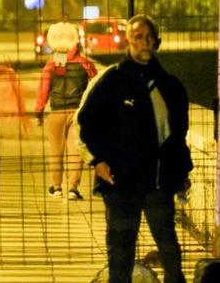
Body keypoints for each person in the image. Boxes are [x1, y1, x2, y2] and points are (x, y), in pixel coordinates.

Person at [77, 14, 193, 283]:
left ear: (158, 42)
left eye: (149, 36)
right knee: (121, 248)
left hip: (157, 181)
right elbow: (87, 123)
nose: (145, 42)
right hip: (120, 181)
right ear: (127, 42)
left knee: (168, 245)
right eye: (138, 37)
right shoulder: (111, 82)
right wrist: (97, 162)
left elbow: (178, 136)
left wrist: (181, 172)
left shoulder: (170, 86)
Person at [35, 21, 97, 200]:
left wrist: (39, 111)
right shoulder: (85, 63)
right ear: (76, 41)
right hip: (78, 114)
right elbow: (95, 86)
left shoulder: (53, 63)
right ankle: (73, 188)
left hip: (56, 112)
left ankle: (56, 187)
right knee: (75, 151)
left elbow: (44, 88)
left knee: (56, 150)